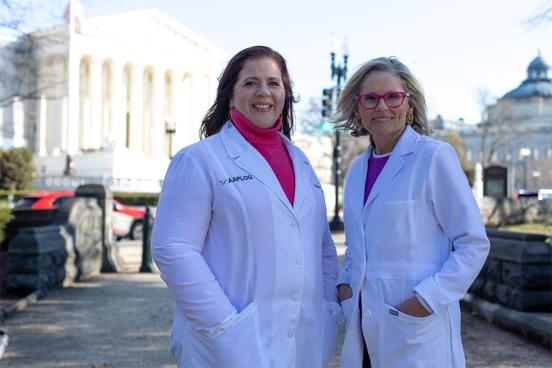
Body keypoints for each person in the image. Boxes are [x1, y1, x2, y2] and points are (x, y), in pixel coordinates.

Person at [151, 45, 340, 368]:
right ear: (230, 95)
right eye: (251, 83)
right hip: (228, 344)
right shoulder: (200, 160)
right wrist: (223, 323)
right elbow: (173, 248)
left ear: (285, 94)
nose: (263, 92)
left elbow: (321, 247)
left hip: (304, 340)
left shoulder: (303, 164)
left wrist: (329, 309)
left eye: (273, 83)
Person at [333, 56, 490, 367]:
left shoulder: (434, 158)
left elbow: (473, 243)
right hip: (363, 327)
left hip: (415, 328)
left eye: (393, 97)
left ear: (410, 107)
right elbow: (357, 247)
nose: (382, 107)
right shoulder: (356, 171)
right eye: (370, 99)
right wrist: (345, 285)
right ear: (357, 110)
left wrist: (427, 299)